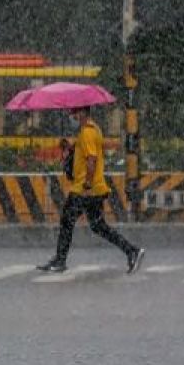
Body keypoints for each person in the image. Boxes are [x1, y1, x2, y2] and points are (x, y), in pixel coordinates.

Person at [37, 107, 145, 274]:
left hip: (84, 189)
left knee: (67, 220)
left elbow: (92, 159)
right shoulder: (94, 129)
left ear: (81, 113)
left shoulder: (87, 132)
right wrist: (70, 150)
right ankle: (132, 251)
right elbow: (85, 155)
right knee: (98, 226)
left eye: (73, 113)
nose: (71, 117)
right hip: (94, 188)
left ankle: (60, 260)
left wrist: (87, 183)